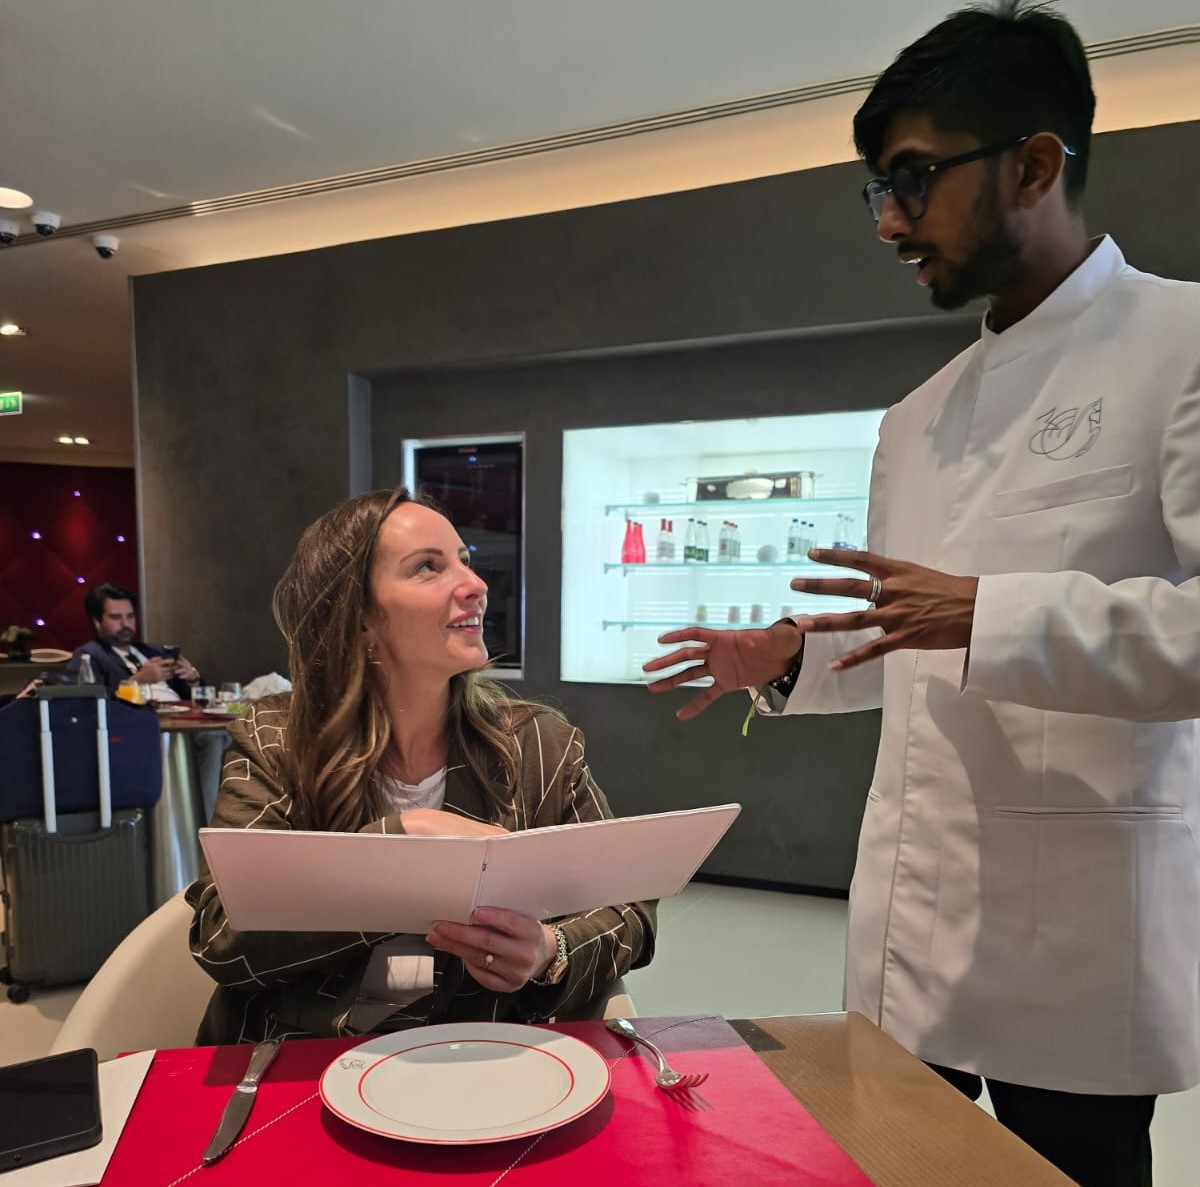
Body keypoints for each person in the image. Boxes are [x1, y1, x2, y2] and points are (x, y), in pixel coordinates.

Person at [644, 6, 1200, 1186]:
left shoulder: (1182, 344)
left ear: (1037, 164)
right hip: (911, 919)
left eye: (914, 179)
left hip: (1081, 935)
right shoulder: (917, 416)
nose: (890, 222)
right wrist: (791, 655)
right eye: (875, 191)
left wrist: (986, 612)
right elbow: (914, 631)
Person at [187, 489, 655, 1043]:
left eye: (465, 559)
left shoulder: (541, 745)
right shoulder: (276, 740)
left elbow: (630, 912)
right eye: (428, 567)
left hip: (481, 1060)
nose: (476, 585)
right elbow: (223, 940)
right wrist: (404, 839)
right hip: (301, 1065)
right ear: (360, 620)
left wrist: (549, 952)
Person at [68, 582, 230, 821]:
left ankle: (224, 820)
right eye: (116, 617)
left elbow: (194, 694)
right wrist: (136, 681)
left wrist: (193, 678)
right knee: (213, 739)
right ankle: (206, 823)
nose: (126, 624)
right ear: (96, 621)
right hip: (134, 731)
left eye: (130, 616)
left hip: (181, 722)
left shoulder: (154, 650)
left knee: (230, 734)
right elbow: (85, 703)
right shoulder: (89, 656)